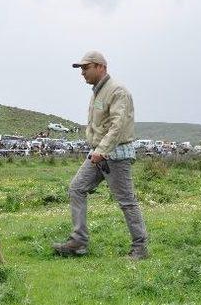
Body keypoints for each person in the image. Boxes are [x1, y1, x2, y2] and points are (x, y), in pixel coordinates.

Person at [53, 51, 148, 260]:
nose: (82, 73)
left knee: (126, 201)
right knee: (76, 188)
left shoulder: (117, 91)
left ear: (101, 67)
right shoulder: (98, 91)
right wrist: (97, 150)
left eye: (86, 68)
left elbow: (117, 125)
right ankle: (78, 242)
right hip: (98, 154)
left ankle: (140, 248)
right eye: (81, 69)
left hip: (115, 154)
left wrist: (101, 151)